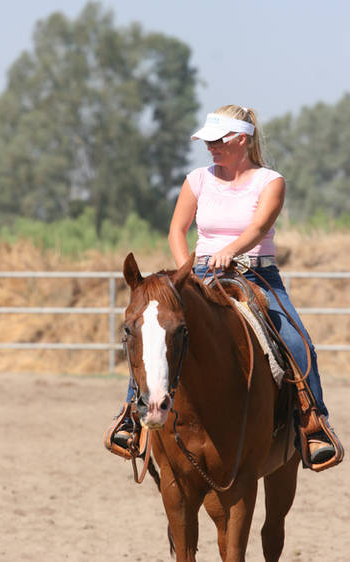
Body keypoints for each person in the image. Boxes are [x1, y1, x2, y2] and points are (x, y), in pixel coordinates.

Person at [107, 104, 341, 467]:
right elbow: (176, 230)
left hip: (257, 274)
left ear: (241, 140)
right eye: (207, 141)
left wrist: (230, 250)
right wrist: (187, 271)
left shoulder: (270, 181)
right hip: (201, 274)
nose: (210, 147)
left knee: (298, 342)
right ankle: (131, 419)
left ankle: (313, 425)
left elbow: (259, 229)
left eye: (217, 140)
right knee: (157, 332)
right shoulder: (198, 179)